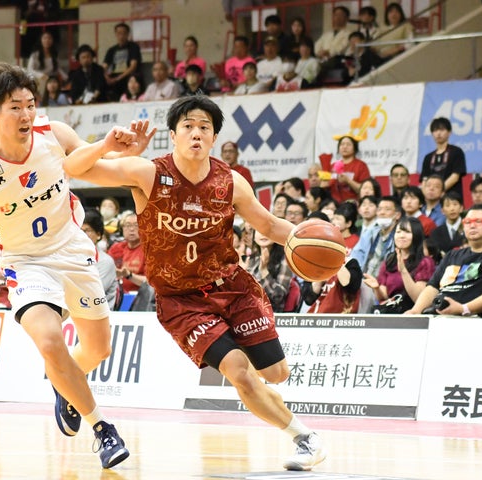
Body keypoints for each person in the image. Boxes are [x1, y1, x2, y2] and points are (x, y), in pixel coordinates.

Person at [73, 95, 327, 471]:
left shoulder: (230, 182)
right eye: (188, 126)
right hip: (182, 301)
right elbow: (77, 169)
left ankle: (271, 396)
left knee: (276, 374)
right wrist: (112, 149)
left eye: (204, 128)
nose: (196, 133)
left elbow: (270, 225)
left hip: (232, 287)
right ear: (173, 134)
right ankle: (306, 438)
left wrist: (323, 248)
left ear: (214, 137)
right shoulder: (147, 172)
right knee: (239, 372)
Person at [0, 62, 151, 469]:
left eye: (30, 104)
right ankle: (103, 429)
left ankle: (67, 386)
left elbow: (90, 165)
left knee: (99, 348)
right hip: (25, 261)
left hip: (72, 249)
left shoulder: (54, 134)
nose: (26, 113)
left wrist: (123, 154)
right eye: (15, 107)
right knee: (49, 342)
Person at [406, 204, 482, 318]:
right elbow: (432, 287)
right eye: (467, 222)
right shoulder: (452, 255)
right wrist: (415, 311)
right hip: (439, 316)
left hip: (477, 318)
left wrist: (463, 308)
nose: (472, 226)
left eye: (479, 221)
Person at [363, 217, 434, 313]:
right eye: (398, 232)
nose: (401, 236)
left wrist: (403, 271)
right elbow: (384, 297)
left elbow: (418, 298)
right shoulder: (389, 261)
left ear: (416, 235)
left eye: (407, 232)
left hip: (411, 314)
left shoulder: (425, 262)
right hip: (391, 313)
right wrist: (376, 288)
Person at [246, 230, 296, 313]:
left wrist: (263, 270)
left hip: (271, 315)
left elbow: (278, 296)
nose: (263, 234)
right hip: (247, 313)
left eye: (267, 230)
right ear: (254, 236)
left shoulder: (285, 259)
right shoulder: (251, 259)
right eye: (259, 230)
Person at [352, 196, 401, 276]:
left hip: (385, 280)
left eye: (387, 209)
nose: (382, 213)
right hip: (364, 278)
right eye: (379, 209)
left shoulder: (400, 237)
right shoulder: (370, 233)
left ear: (397, 215)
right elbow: (356, 255)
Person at [420, 117, 467, 199]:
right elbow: (424, 180)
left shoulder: (456, 152)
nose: (438, 133)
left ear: (449, 132)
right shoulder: (428, 157)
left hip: (452, 199)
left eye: (442, 130)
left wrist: (439, 191)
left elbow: (455, 177)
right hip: (432, 199)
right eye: (435, 130)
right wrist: (427, 195)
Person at [82, 209, 119, 310]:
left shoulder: (106, 261)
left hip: (98, 313)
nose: (82, 235)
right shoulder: (70, 258)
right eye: (79, 231)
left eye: (87, 231)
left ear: (98, 234)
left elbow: (93, 293)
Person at [320, 135, 370, 203]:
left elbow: (365, 190)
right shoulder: (333, 166)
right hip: (334, 204)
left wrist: (348, 181)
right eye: (342, 144)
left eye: (348, 144)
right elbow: (323, 187)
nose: (345, 147)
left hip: (354, 203)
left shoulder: (361, 166)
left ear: (355, 148)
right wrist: (324, 183)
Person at [102, 23, 142, 102]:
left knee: (128, 81)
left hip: (127, 76)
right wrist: (106, 77)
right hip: (113, 77)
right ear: (115, 34)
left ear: (128, 34)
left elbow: (133, 66)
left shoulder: (133, 47)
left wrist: (117, 79)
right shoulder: (111, 50)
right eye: (119, 33)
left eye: (124, 33)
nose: (121, 36)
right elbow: (104, 66)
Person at [107, 212, 146, 293]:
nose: (131, 229)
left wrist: (129, 275)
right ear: (122, 229)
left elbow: (151, 283)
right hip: (117, 294)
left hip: (142, 296)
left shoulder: (149, 250)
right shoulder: (116, 248)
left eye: (136, 225)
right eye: (128, 225)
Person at [429, 191, 466, 258]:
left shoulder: (468, 228)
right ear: (442, 211)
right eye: (448, 205)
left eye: (455, 204)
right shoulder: (436, 232)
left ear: (461, 208)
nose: (452, 209)